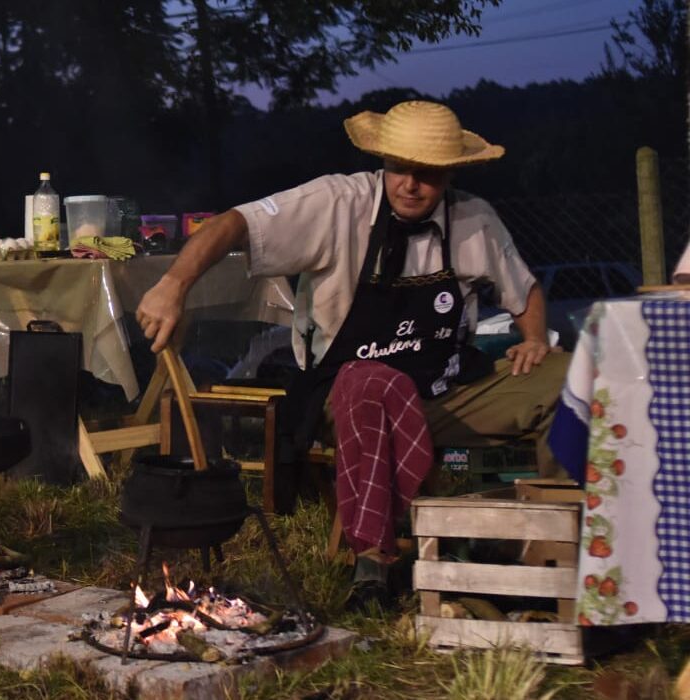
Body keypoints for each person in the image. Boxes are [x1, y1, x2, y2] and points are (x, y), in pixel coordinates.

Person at [135, 100, 569, 602]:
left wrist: (535, 340)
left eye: (427, 174)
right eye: (400, 169)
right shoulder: (337, 204)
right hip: (346, 394)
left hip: (445, 391)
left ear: (450, 174)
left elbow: (526, 291)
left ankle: (557, 545)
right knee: (372, 382)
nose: (410, 184)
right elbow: (234, 223)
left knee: (566, 380)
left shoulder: (475, 220)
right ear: (382, 162)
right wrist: (173, 285)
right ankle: (373, 564)